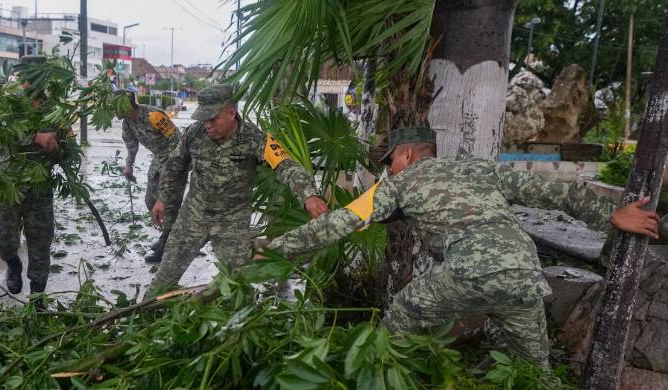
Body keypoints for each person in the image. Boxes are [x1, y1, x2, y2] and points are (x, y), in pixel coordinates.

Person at [259, 126, 660, 367]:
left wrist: (281, 247)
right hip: (524, 272)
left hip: (468, 271)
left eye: (390, 161)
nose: (388, 169)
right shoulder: (478, 168)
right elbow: (550, 192)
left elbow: (343, 222)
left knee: (400, 314)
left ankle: (378, 376)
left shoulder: (400, 181)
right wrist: (610, 214)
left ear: (408, 154)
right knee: (534, 370)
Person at [148, 83, 327, 291]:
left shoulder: (255, 139)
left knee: (237, 287)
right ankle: (144, 314)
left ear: (232, 112)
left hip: (231, 223)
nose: (207, 125)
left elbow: (286, 165)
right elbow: (174, 167)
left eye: (213, 119)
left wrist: (309, 196)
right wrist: (162, 199)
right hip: (193, 216)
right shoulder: (194, 134)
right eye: (204, 119)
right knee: (162, 281)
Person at [0, 55, 77, 299]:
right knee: (3, 240)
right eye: (26, 75)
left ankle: (37, 300)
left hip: (40, 187)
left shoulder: (56, 109)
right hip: (9, 183)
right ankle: (14, 264)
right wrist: (34, 138)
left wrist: (58, 149)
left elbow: (70, 150)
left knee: (41, 244)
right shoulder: (8, 104)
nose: (30, 81)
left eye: (36, 75)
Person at [118, 90, 186, 263]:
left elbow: (177, 140)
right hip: (158, 158)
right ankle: (169, 235)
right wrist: (129, 165)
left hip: (175, 158)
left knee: (168, 204)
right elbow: (131, 144)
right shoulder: (127, 122)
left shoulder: (154, 116)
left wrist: (172, 171)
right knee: (151, 201)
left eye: (116, 107)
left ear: (127, 106)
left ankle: (168, 244)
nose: (113, 111)